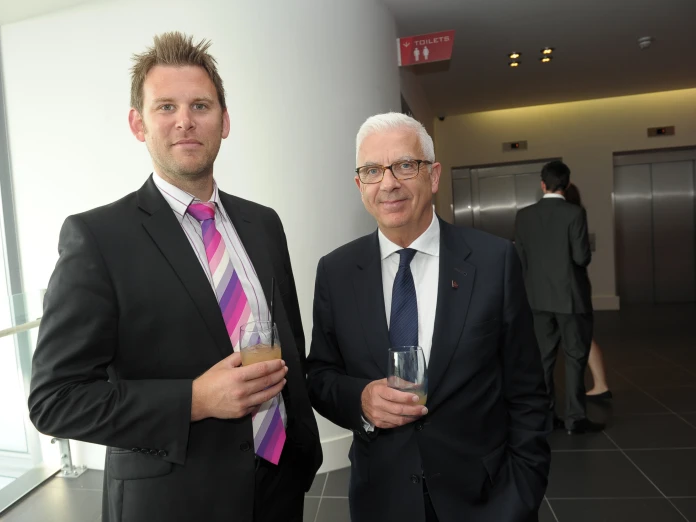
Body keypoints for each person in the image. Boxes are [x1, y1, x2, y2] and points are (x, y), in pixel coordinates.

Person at [28, 32, 322, 522]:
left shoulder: (263, 223)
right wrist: (194, 400)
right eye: (165, 106)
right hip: (176, 502)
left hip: (279, 484)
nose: (185, 120)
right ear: (137, 124)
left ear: (224, 122)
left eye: (200, 105)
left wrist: (301, 452)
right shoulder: (97, 238)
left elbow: (289, 339)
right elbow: (55, 400)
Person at [307, 113, 550, 522]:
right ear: (359, 185)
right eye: (372, 170)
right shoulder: (336, 272)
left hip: (485, 500)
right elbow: (320, 375)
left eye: (405, 165)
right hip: (382, 501)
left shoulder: (494, 262)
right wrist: (361, 400)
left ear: (433, 175)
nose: (389, 183)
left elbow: (527, 392)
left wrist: (520, 494)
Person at [514, 161, 604, 434]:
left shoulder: (524, 216)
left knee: (543, 359)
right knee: (575, 357)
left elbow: (520, 259)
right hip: (570, 299)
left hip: (536, 299)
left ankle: (545, 416)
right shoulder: (575, 214)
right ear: (566, 185)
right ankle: (575, 418)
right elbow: (581, 257)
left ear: (543, 184)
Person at [564, 184, 612, 400]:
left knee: (582, 337)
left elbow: (580, 256)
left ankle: (600, 385)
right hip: (574, 287)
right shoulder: (576, 216)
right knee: (583, 337)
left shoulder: (570, 218)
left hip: (568, 288)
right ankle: (600, 384)